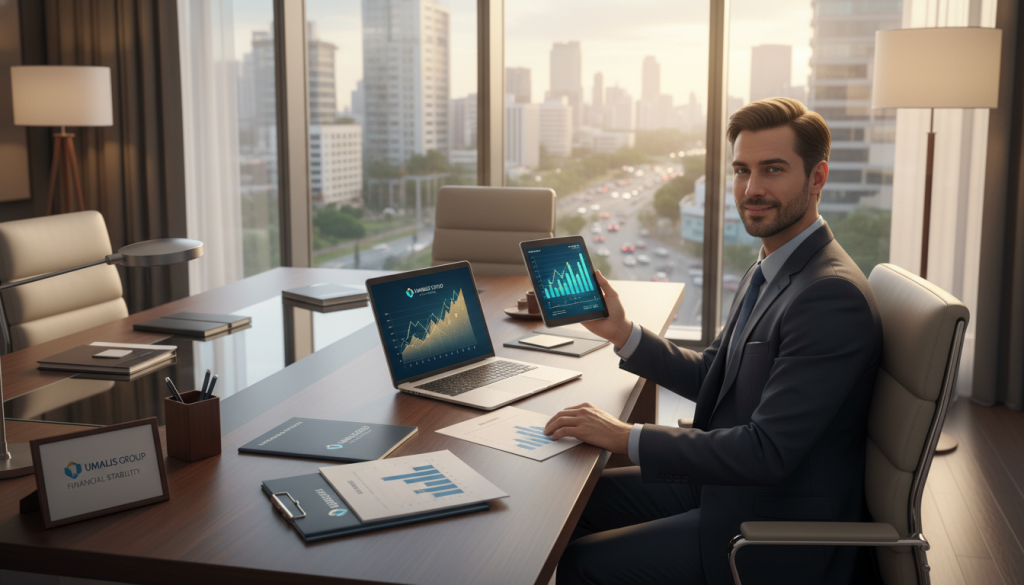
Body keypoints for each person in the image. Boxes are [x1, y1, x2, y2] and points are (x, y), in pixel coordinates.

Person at [545, 97, 883, 585]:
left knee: (583, 563)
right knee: (575, 504)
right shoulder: (771, 269)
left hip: (775, 522)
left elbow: (767, 451)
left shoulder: (830, 296)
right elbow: (715, 375)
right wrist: (621, 333)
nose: (752, 188)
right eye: (742, 170)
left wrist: (627, 437)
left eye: (772, 170)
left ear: (817, 178)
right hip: (727, 485)